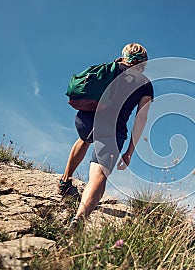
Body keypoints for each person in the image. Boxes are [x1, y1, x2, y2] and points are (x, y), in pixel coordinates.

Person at [59, 43, 153, 226]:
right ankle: (79, 219)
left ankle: (65, 181)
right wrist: (129, 151)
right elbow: (141, 119)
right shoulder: (145, 84)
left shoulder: (109, 69)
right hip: (112, 130)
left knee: (84, 140)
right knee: (99, 174)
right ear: (143, 63)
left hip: (86, 122)